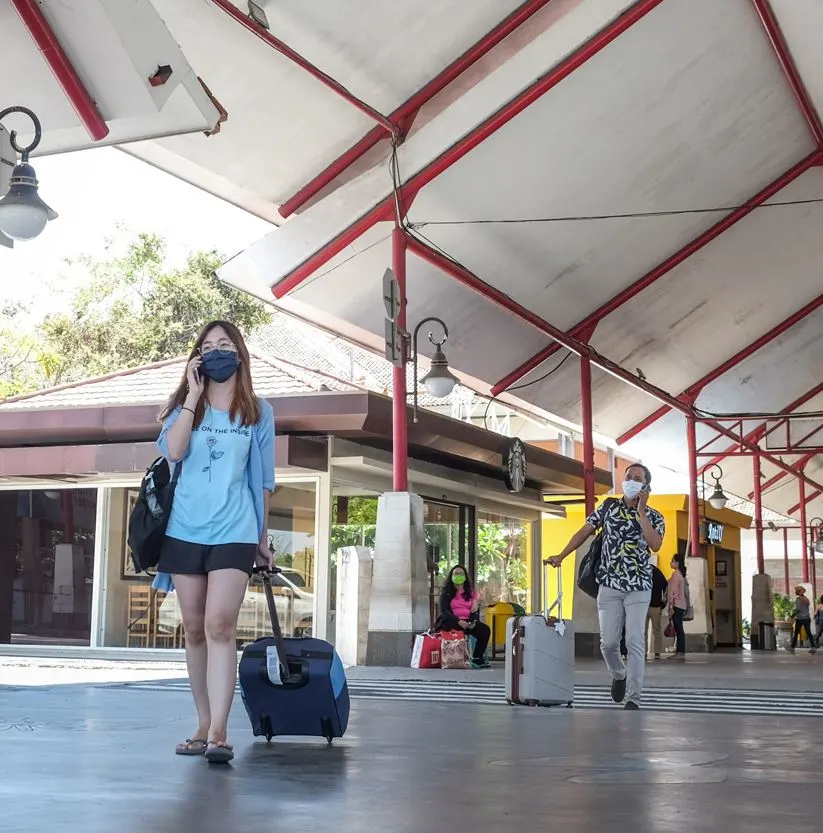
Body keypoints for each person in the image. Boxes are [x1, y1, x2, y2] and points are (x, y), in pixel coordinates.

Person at [155, 320, 275, 763]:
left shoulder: (258, 411)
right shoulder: (182, 407)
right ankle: (202, 723)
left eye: (224, 344)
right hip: (184, 529)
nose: (216, 351)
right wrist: (191, 397)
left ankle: (221, 732)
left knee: (220, 625)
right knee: (193, 628)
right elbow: (174, 452)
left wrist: (262, 538)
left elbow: (263, 481)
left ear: (239, 354)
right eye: (207, 347)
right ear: (196, 357)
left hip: (234, 531)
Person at [547, 464, 664, 710]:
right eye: (628, 477)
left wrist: (641, 511)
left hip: (639, 585)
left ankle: (634, 696)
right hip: (609, 584)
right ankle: (618, 674)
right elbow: (584, 531)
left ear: (646, 486)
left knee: (634, 640)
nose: (631, 481)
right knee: (608, 643)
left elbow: (655, 545)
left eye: (637, 479)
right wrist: (562, 555)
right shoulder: (608, 507)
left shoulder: (654, 516)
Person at [438, 565, 491, 669]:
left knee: (484, 630)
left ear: (465, 577)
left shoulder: (471, 593)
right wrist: (458, 621)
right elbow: (444, 611)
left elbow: (474, 611)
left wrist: (473, 622)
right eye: (456, 574)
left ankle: (477, 658)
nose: (458, 576)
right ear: (451, 576)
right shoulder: (446, 592)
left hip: (467, 621)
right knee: (451, 623)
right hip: (451, 620)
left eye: (461, 573)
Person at [666, 555, 688, 659]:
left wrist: (670, 605)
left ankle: (680, 651)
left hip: (676, 605)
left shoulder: (676, 575)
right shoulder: (682, 575)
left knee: (678, 629)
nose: (671, 563)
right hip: (682, 605)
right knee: (679, 628)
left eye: (672, 561)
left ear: (677, 563)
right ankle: (680, 650)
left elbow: (674, 592)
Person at [647, 563, 668, 660]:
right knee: (655, 630)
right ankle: (655, 652)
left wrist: (663, 603)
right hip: (652, 606)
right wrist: (663, 603)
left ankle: (653, 652)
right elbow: (666, 586)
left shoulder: (657, 573)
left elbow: (666, 587)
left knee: (651, 630)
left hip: (650, 606)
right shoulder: (657, 573)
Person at [789, 585, 817, 655]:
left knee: (796, 633)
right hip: (807, 618)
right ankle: (813, 647)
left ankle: (792, 647)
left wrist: (792, 615)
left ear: (797, 592)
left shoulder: (798, 599)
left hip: (800, 618)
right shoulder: (806, 598)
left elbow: (798, 609)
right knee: (809, 633)